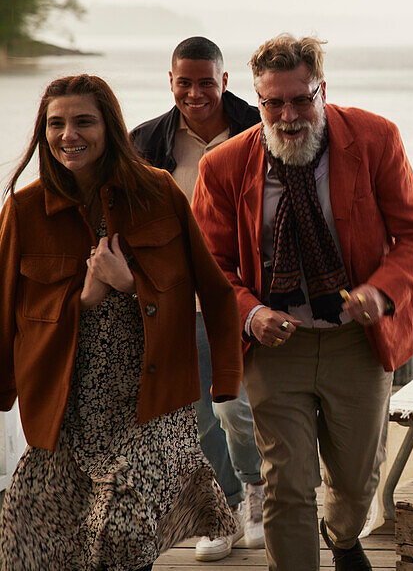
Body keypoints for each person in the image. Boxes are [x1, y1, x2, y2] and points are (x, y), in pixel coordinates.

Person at [191, 34, 413, 571]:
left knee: (354, 480)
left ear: (322, 90)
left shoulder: (376, 138)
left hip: (357, 340)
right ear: (256, 100)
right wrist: (253, 313)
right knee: (287, 483)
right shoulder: (223, 167)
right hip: (275, 348)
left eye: (301, 99)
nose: (288, 115)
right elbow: (211, 270)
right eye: (273, 103)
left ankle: (345, 539)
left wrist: (379, 291)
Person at [0, 74, 242, 570]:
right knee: (35, 539)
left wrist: (132, 284)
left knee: (125, 531)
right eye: (56, 124)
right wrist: (84, 298)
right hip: (67, 403)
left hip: (152, 401)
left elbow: (214, 291)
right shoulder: (24, 211)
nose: (69, 134)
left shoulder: (158, 192)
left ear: (110, 126)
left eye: (83, 121)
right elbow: (4, 311)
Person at [130, 35, 266, 561]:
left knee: (236, 408)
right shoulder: (147, 142)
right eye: (183, 83)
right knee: (195, 415)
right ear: (170, 82)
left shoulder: (259, 128)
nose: (195, 93)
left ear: (224, 81)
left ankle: (257, 492)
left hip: (238, 297)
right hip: (174, 302)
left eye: (205, 82)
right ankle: (224, 507)